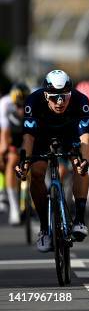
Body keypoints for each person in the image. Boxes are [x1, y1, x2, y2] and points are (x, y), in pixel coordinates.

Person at [16, 70, 89, 252]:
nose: (60, 102)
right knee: (37, 173)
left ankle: (79, 219)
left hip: (70, 136)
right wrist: (24, 162)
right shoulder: (33, 101)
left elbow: (86, 139)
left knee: (80, 166)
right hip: (41, 137)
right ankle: (44, 228)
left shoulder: (81, 101)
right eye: (55, 97)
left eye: (64, 97)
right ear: (45, 95)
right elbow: (28, 138)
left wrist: (85, 161)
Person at [0, 84, 30, 225]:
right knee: (12, 160)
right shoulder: (5, 104)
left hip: (27, 133)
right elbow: (5, 132)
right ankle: (14, 207)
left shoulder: (33, 104)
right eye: (18, 105)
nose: (20, 109)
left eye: (23, 105)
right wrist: (5, 149)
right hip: (12, 134)